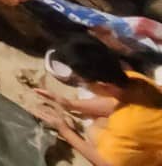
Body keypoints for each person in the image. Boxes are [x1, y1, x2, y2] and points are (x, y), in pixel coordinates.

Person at [31, 35, 162, 166]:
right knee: (99, 124)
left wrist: (64, 130)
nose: (83, 87)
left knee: (94, 132)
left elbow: (104, 163)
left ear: (103, 85)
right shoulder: (137, 80)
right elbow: (116, 104)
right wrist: (70, 105)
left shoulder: (125, 126)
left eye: (82, 84)